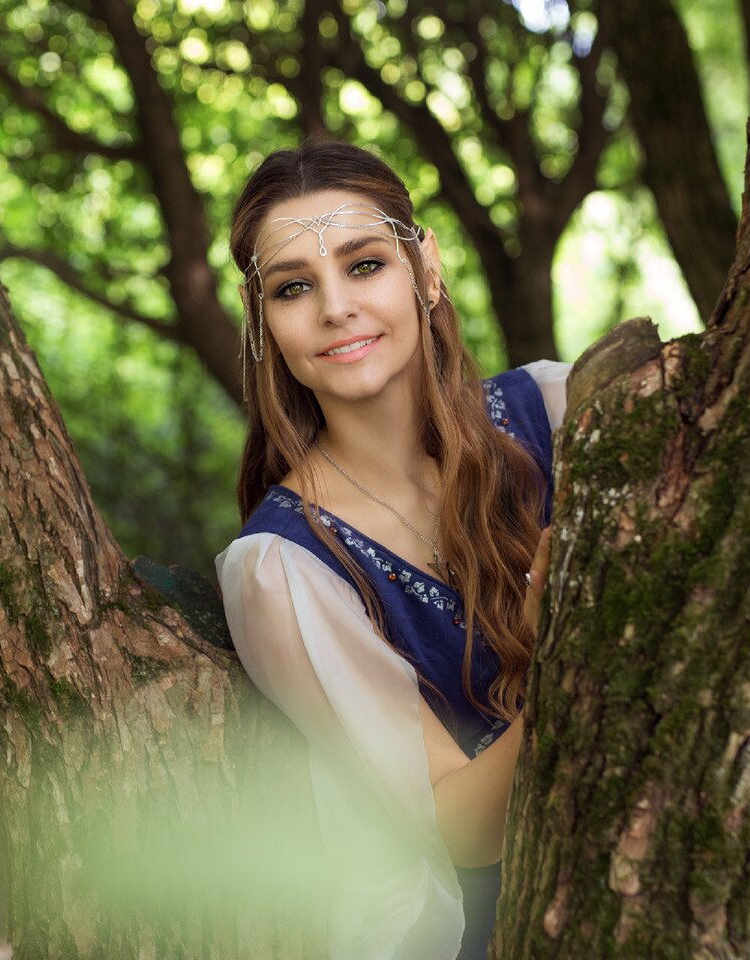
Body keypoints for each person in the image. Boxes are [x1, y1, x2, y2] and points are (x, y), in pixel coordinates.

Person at [214, 137, 568, 960]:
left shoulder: (558, 410)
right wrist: (567, 646)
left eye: (364, 264)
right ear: (264, 322)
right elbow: (461, 830)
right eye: (294, 287)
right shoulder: (283, 568)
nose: (335, 306)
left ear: (426, 269)